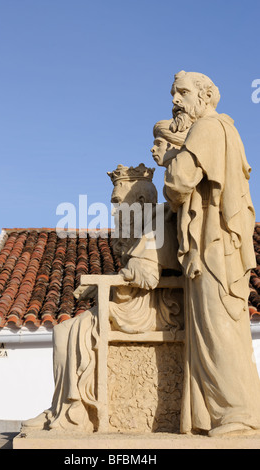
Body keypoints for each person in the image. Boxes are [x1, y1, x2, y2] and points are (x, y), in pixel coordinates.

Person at [22, 163, 183, 432]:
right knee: (64, 330)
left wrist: (109, 282)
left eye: (118, 202)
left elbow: (146, 277)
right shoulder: (142, 228)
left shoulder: (157, 226)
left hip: (150, 310)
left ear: (140, 201)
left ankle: (74, 412)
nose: (114, 210)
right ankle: (63, 407)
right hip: (132, 302)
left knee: (65, 331)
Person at [162, 70, 260, 436]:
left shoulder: (206, 129)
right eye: (173, 92)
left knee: (215, 329)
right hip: (222, 248)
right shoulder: (227, 129)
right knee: (224, 329)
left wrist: (174, 154)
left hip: (213, 249)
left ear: (204, 96)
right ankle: (219, 414)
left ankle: (235, 413)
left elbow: (178, 182)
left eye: (182, 92)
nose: (175, 99)